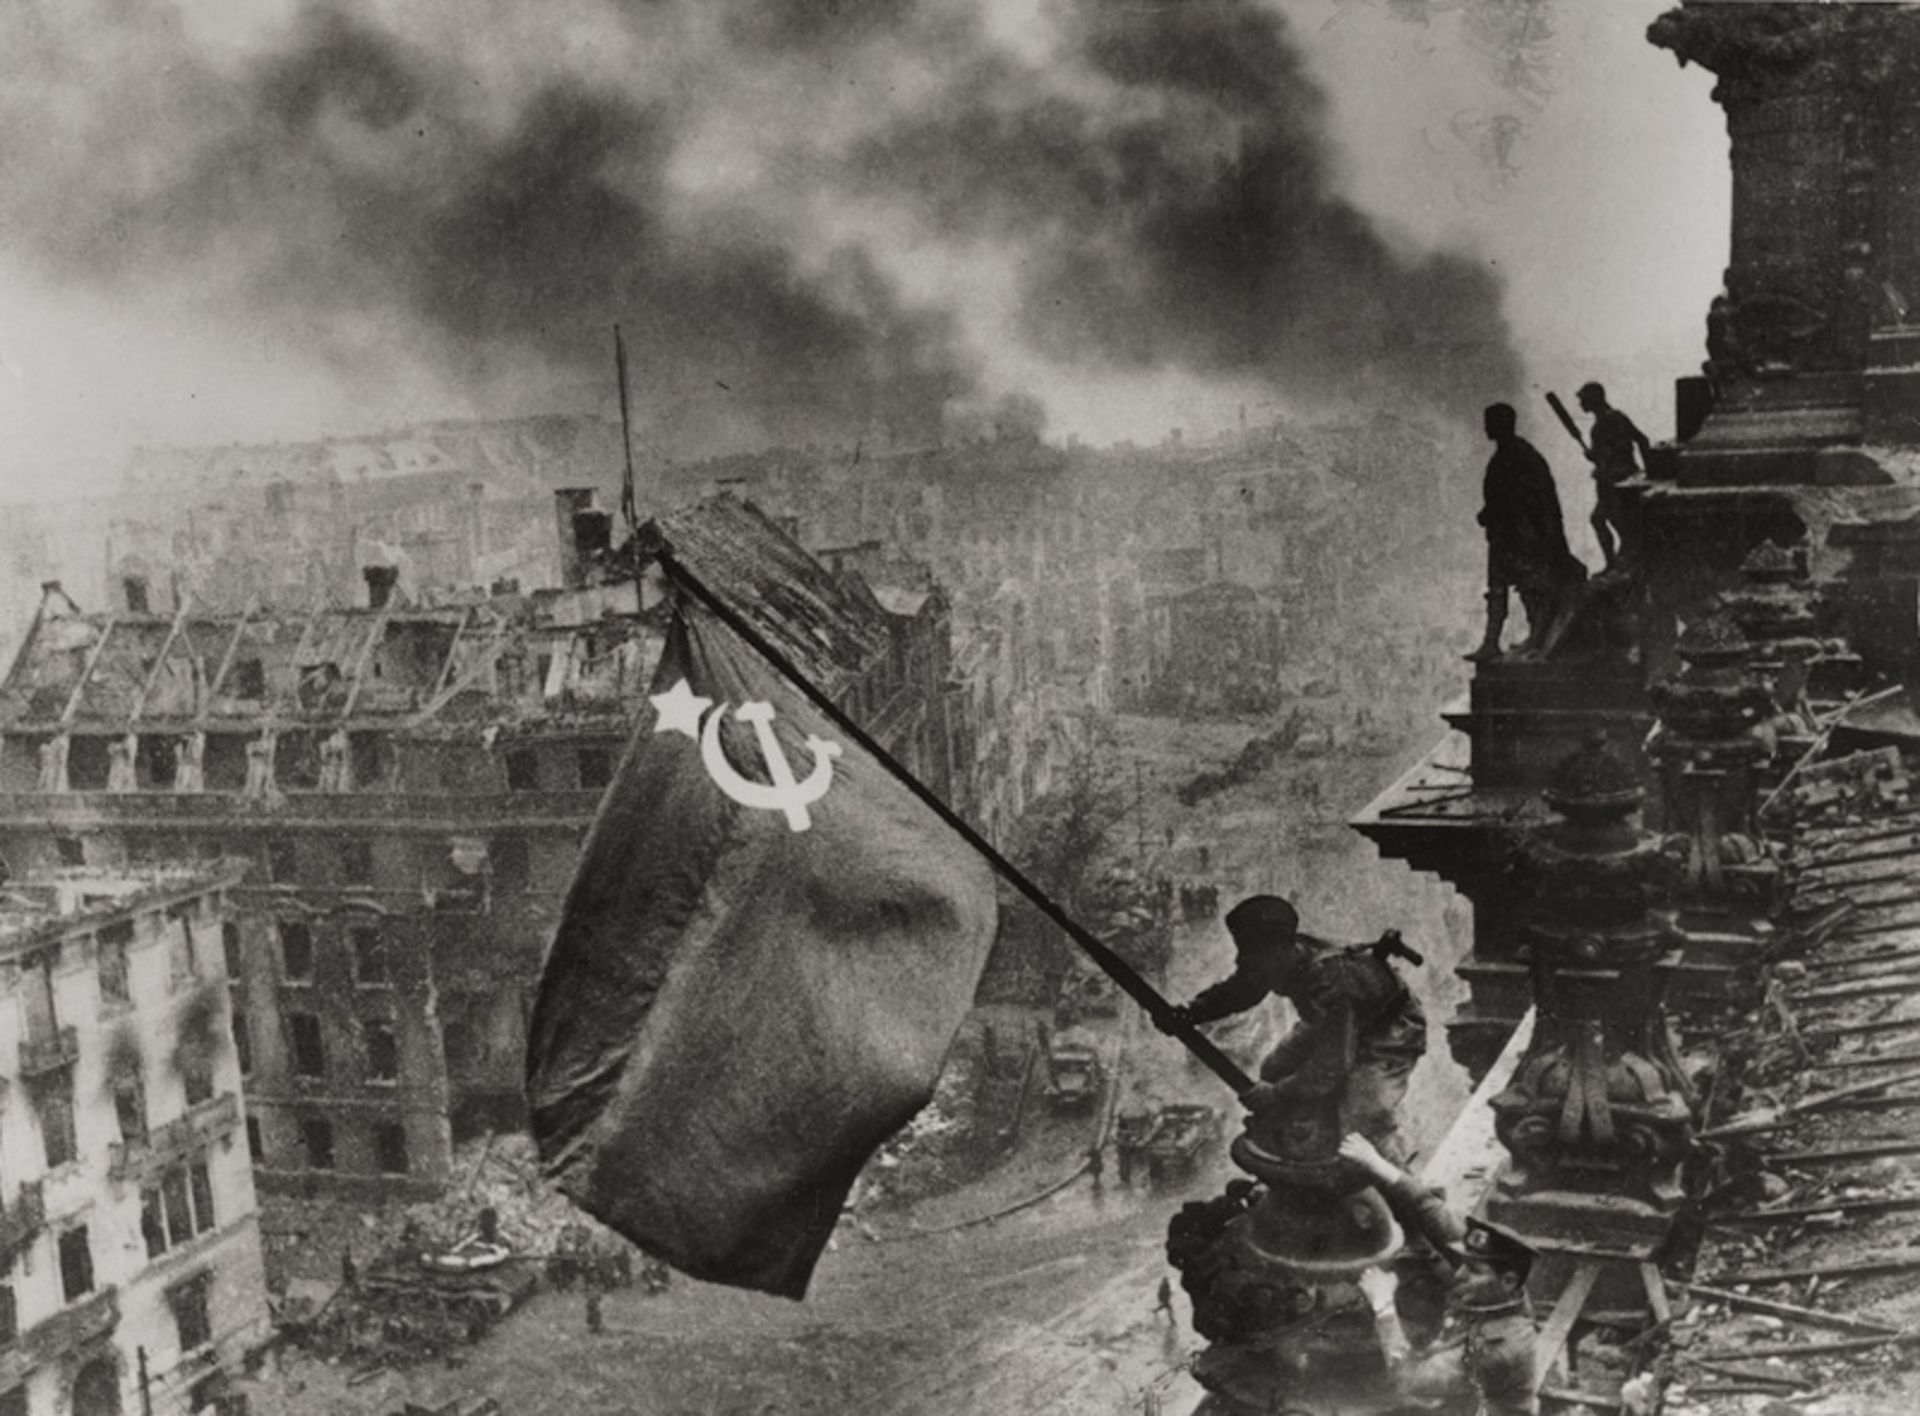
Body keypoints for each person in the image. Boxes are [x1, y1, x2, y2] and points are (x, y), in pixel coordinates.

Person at [1161, 895, 1426, 1163]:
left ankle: (1399, 1180)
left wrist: (1275, 1096)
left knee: (1363, 1121)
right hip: (1333, 1020)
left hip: (1387, 1031)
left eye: (1248, 952)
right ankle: (1308, 1143)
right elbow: (1243, 989)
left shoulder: (1330, 981)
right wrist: (1192, 1011)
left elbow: (1331, 1064)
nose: (1242, 958)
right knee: (1275, 1069)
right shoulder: (1277, 956)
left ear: (1278, 949)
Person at [1341, 1134, 1540, 1416]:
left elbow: (1408, 1378)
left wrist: (1383, 1304)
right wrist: (1376, 1163)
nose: (1460, 1273)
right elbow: (1431, 1213)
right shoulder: (1503, 1285)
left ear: (1508, 1281)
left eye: (1473, 1270)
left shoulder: (1498, 1347)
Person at [1470, 403, 1585, 662]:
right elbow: (1500, 496)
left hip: (1523, 536)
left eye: (1491, 421)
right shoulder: (1505, 455)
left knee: (1531, 587)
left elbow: (1538, 498)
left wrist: (1543, 536)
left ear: (1504, 424)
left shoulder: (1523, 455)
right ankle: (1491, 642)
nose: (1486, 427)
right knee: (1498, 588)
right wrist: (1488, 513)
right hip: (1502, 535)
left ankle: (1537, 638)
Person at [1577, 382, 1652, 571]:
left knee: (1606, 520)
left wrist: (1595, 456)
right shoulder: (1613, 419)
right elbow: (1640, 441)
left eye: (1583, 399)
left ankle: (1615, 562)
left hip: (1615, 482)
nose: (1580, 403)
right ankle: (1618, 559)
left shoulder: (1607, 422)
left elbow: (1632, 443)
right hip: (1617, 479)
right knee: (1608, 520)